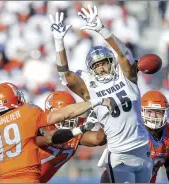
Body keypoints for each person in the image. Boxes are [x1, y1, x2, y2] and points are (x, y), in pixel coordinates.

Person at [48, 5, 153, 183]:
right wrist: (59, 42)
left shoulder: (126, 76)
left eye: (103, 63)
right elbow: (65, 75)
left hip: (143, 147)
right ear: (91, 69)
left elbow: (123, 53)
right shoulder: (90, 87)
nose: (101, 68)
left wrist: (101, 29)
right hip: (119, 153)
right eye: (96, 66)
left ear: (110, 62)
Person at [0, 82, 111, 183]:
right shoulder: (28, 116)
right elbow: (50, 137)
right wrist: (93, 105)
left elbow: (98, 139)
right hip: (29, 178)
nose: (68, 119)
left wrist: (107, 116)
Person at [99, 90, 169, 183]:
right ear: (141, 111)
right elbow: (109, 172)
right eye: (149, 112)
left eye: (158, 112)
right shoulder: (131, 131)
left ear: (165, 113)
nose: (153, 116)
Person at [38, 91, 107, 183]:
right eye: (64, 112)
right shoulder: (39, 126)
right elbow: (50, 138)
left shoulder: (76, 127)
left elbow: (98, 139)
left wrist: (107, 118)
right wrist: (81, 129)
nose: (68, 117)